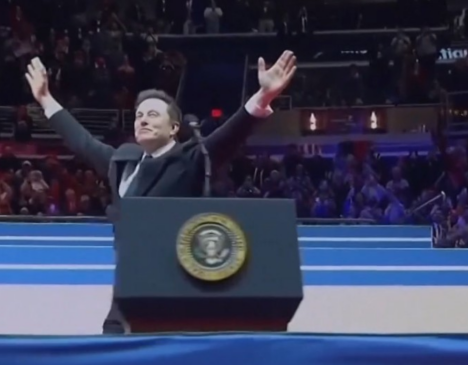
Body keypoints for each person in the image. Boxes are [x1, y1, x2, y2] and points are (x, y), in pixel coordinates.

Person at [24, 52, 297, 334]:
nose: (142, 120)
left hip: (172, 289)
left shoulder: (190, 160)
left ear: (174, 128)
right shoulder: (122, 161)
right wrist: (45, 98)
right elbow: (82, 141)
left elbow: (228, 135)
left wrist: (263, 96)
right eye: (139, 116)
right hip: (126, 292)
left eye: (152, 115)